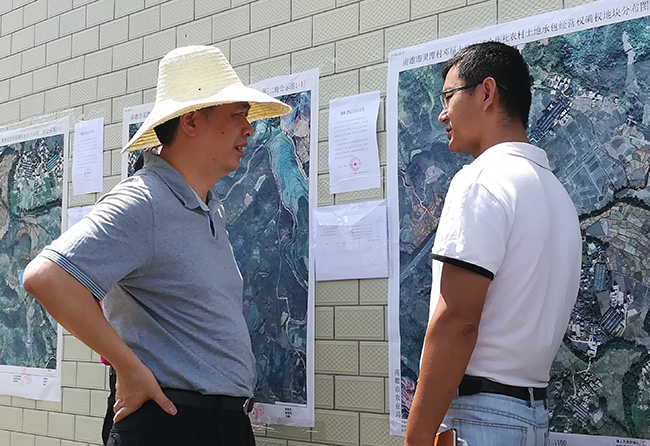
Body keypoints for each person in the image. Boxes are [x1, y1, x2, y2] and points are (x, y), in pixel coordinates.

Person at [23, 45, 291, 446]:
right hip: (169, 422)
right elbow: (47, 277)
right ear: (191, 120)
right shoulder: (144, 200)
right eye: (238, 115)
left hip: (219, 423)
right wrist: (129, 368)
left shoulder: (207, 208)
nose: (249, 129)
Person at [404, 41, 582, 445]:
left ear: (486, 92)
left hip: (480, 417)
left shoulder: (481, 180)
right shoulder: (557, 195)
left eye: (448, 96)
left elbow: (458, 321)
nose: (442, 113)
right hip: (531, 416)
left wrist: (416, 438)